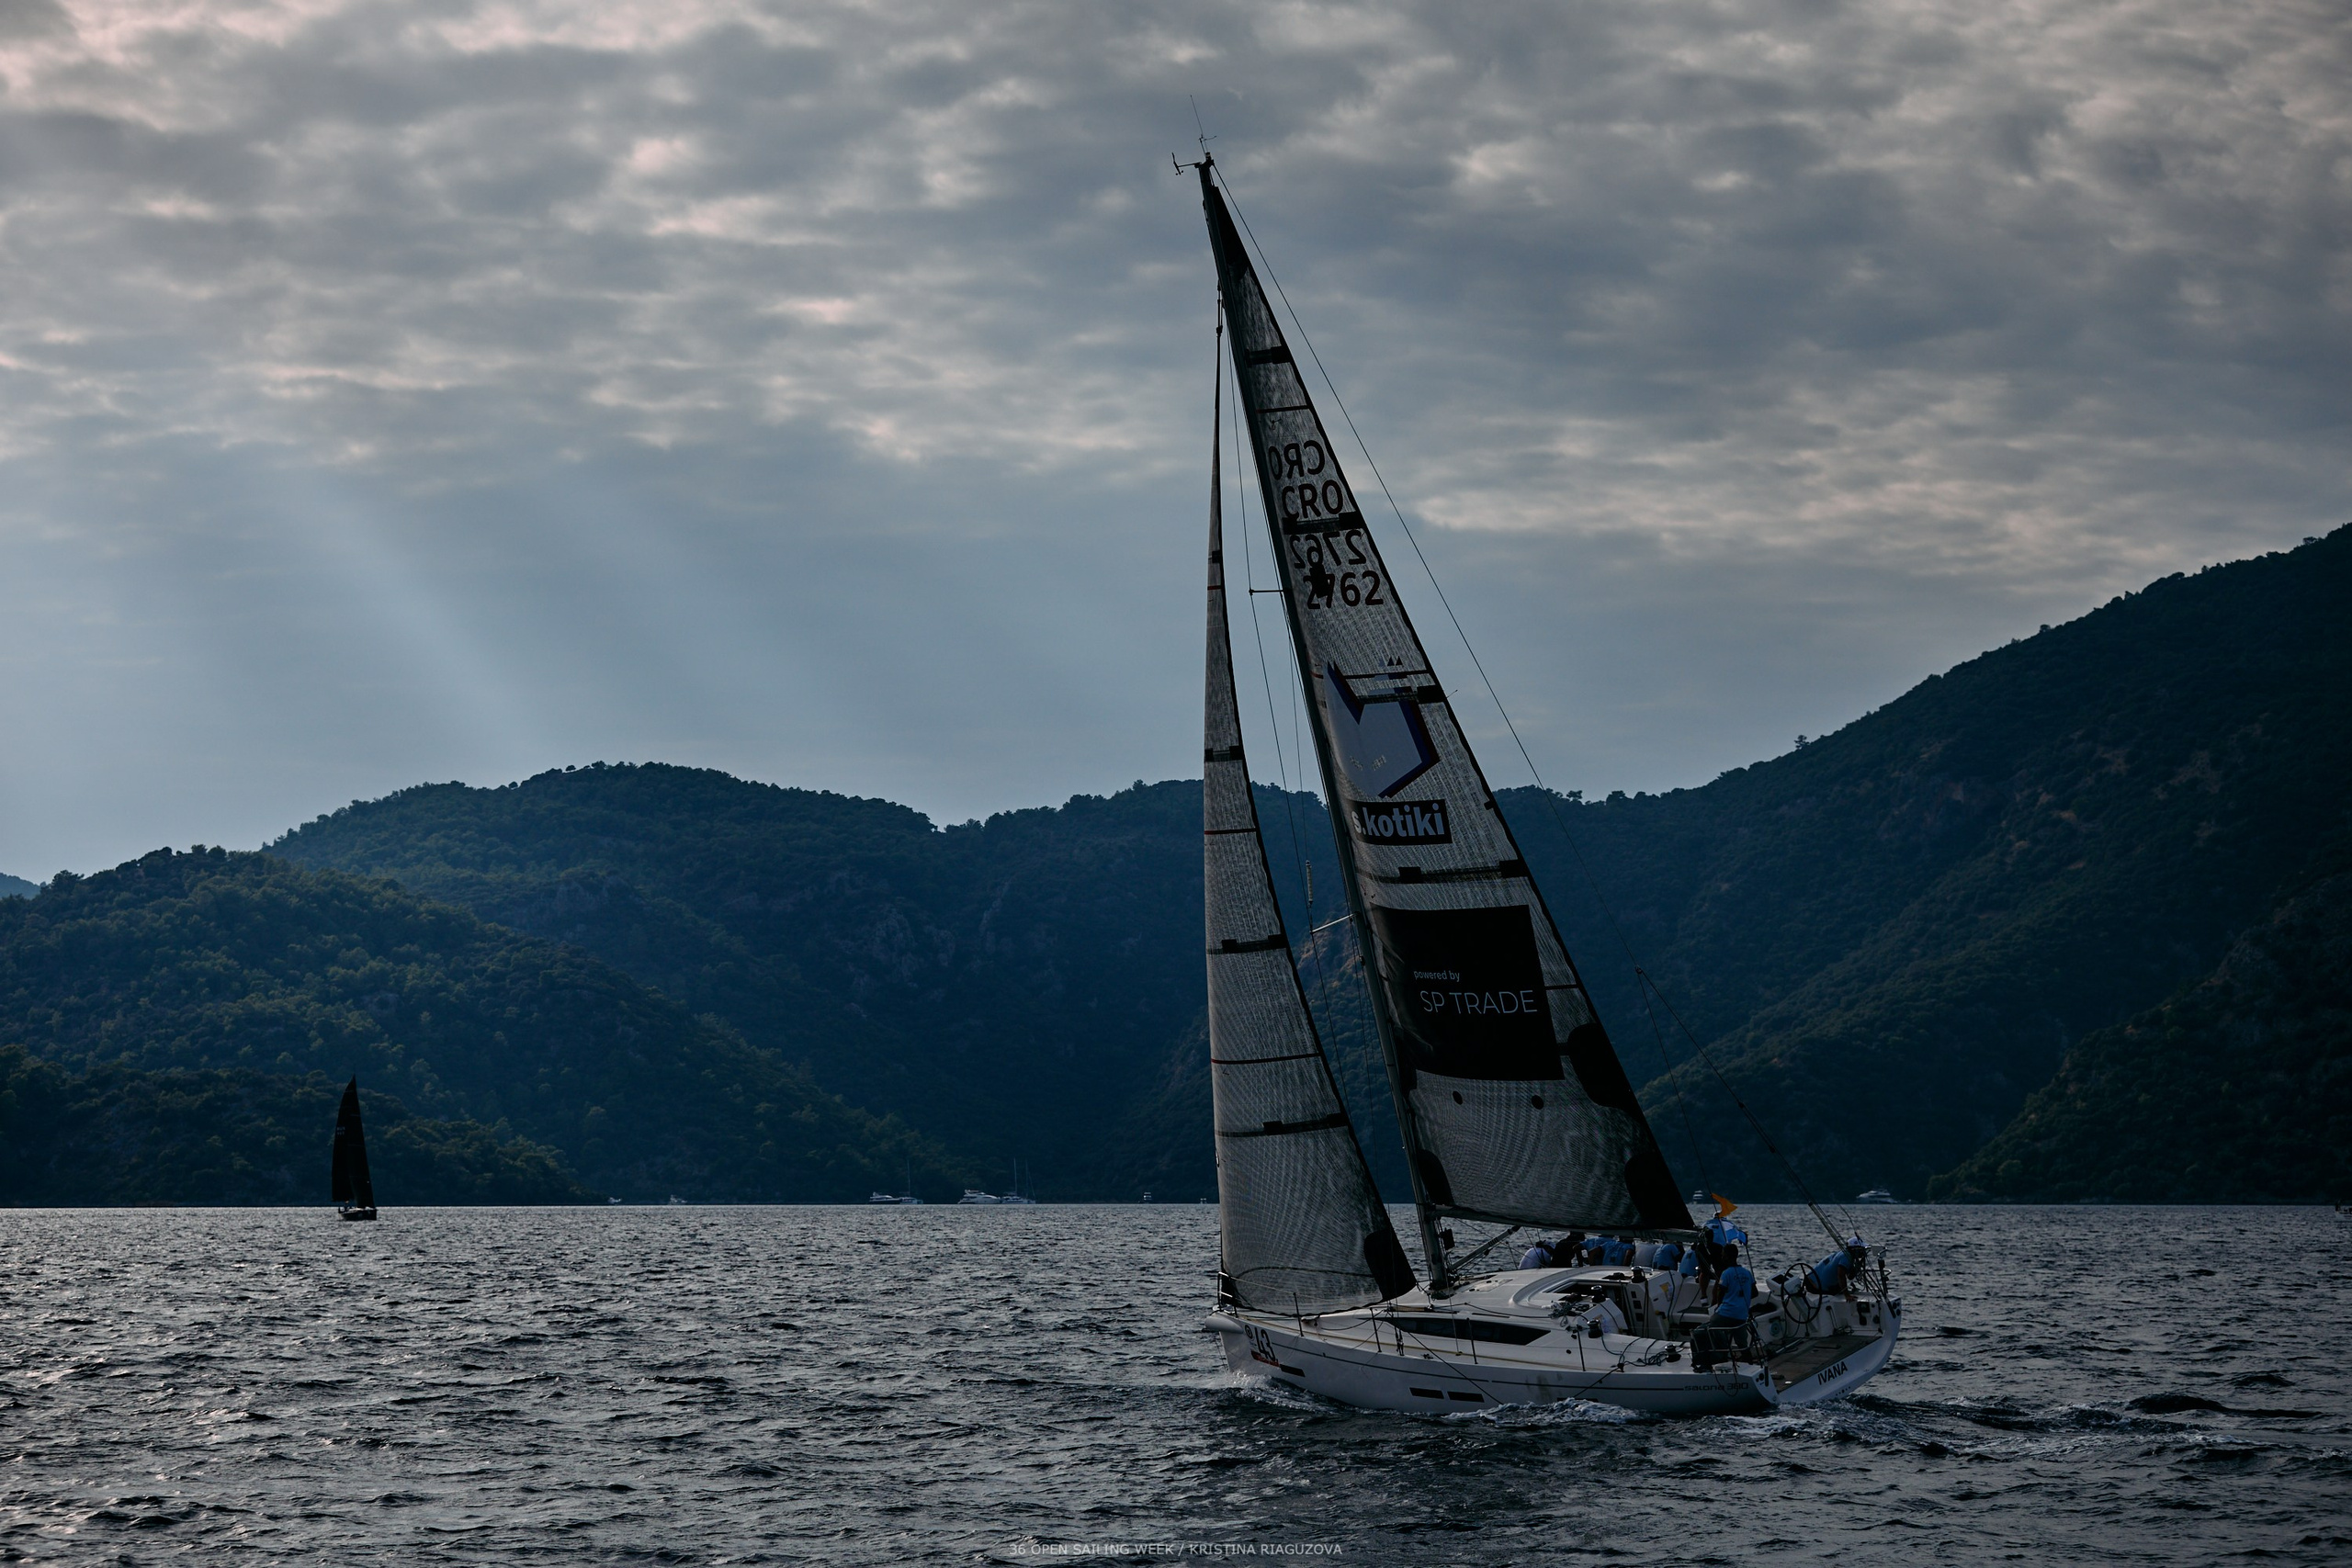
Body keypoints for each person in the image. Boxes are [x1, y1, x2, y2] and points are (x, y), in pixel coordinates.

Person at [1694, 1244, 1756, 1371]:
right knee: (1742, 1344)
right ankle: (1750, 1363)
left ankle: (1713, 1359)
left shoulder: (1726, 1273)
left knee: (1703, 1332)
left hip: (1726, 1313)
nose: (1721, 1257)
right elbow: (1755, 1292)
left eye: (1723, 1255)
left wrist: (1718, 1307)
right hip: (1741, 1315)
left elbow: (1720, 1295)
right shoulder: (1747, 1273)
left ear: (1727, 1257)